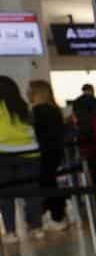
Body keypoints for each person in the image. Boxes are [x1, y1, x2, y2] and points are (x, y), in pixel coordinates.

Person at [0, 76, 41, 243]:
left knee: (5, 196)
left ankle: (10, 232)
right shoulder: (23, 106)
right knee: (31, 193)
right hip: (30, 154)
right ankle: (36, 228)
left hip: (4, 154)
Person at [28, 80, 68, 232]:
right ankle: (58, 215)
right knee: (51, 183)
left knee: (47, 184)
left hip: (43, 153)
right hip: (55, 152)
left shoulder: (38, 111)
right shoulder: (54, 110)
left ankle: (56, 217)